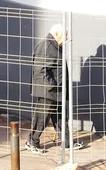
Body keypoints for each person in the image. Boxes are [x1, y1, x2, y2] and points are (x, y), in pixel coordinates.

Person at [25, 24, 83, 154]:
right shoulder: (46, 46)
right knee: (41, 118)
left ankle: (67, 143)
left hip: (56, 90)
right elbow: (40, 71)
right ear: (57, 34)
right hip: (49, 91)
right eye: (65, 37)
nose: (66, 40)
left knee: (61, 117)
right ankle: (32, 142)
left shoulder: (54, 46)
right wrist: (53, 85)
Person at [79, 44, 106, 137]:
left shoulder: (95, 64)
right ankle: (102, 129)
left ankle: (103, 129)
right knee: (104, 127)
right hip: (98, 100)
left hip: (99, 100)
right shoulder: (96, 65)